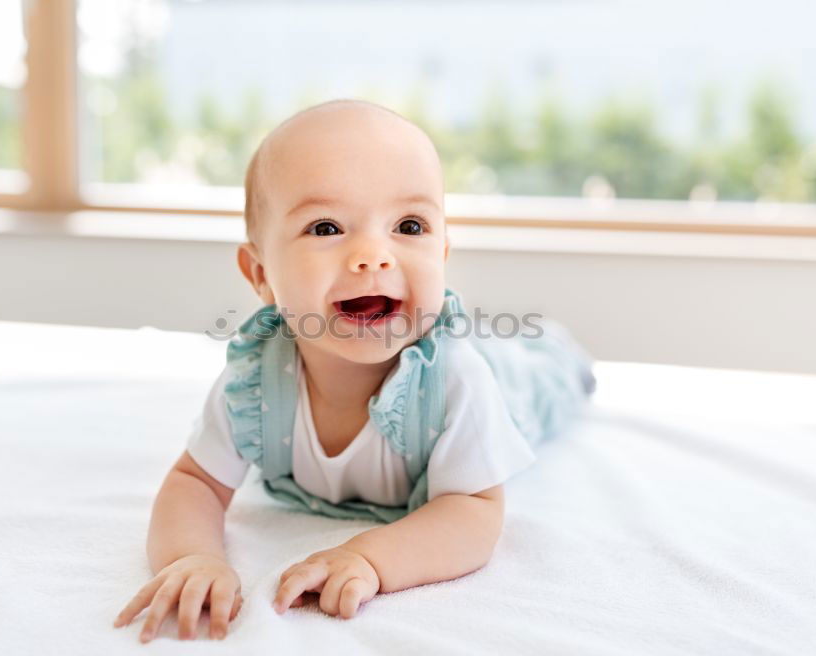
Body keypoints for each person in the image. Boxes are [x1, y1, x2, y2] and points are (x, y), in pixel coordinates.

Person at [113, 98, 596, 642]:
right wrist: (193, 556)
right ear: (261, 274)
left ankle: (561, 350)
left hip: (508, 384)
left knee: (544, 377)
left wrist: (370, 557)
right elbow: (194, 482)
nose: (373, 255)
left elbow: (473, 512)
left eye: (409, 225)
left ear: (441, 254)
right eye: (325, 228)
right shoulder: (255, 382)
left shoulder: (457, 380)